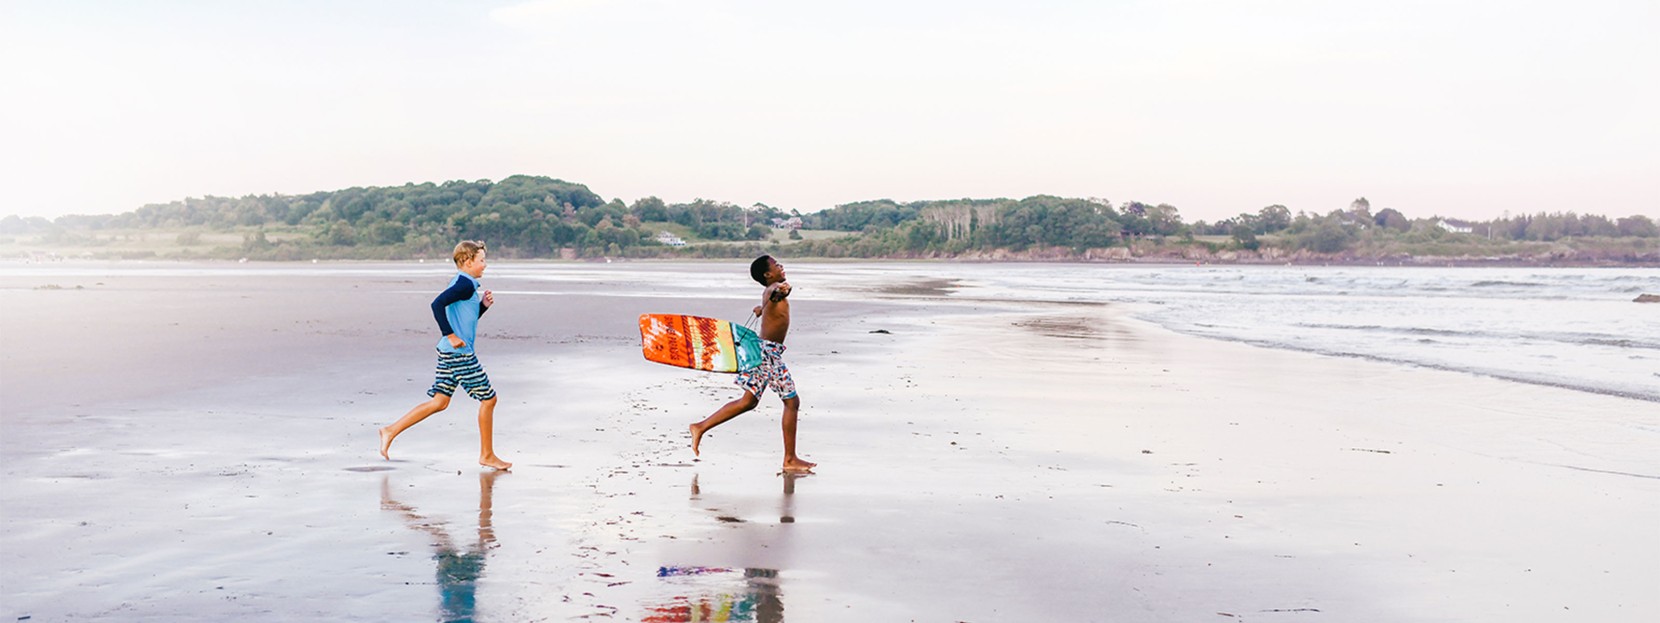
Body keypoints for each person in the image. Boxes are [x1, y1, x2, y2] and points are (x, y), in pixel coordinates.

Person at [379, 240, 512, 470]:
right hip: (459, 353)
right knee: (489, 399)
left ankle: (390, 430)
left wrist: (482, 307)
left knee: (440, 402)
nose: (485, 265)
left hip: (449, 351)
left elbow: (464, 320)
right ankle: (487, 454)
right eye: (482, 261)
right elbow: (437, 304)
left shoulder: (466, 284)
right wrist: (449, 335)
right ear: (468, 261)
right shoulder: (464, 285)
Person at [689, 255, 816, 473]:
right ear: (768, 274)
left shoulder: (768, 294)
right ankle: (789, 459)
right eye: (777, 265)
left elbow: (770, 302)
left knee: (748, 402)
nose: (781, 266)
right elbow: (777, 293)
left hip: (763, 352)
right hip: (767, 354)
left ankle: (700, 427)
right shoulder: (775, 289)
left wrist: (762, 309)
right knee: (791, 402)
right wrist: (783, 291)